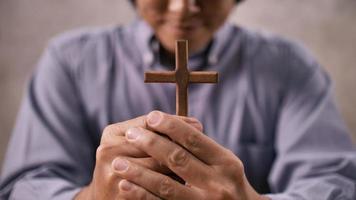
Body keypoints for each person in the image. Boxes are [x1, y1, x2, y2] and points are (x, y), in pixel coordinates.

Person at [1, 0, 356, 199]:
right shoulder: (70, 61)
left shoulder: (289, 66)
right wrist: (92, 197)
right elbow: (23, 187)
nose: (183, 8)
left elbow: (335, 184)